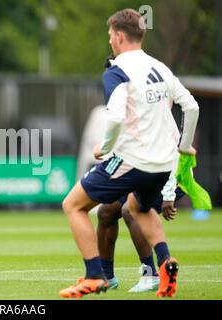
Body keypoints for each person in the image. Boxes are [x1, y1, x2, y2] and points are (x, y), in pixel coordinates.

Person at [60, 8, 199, 298]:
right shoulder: (160, 67)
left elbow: (115, 117)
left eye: (110, 34)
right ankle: (165, 262)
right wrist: (184, 148)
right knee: (138, 208)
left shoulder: (117, 71)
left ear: (120, 36)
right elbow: (192, 107)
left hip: (133, 160)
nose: (110, 40)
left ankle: (94, 275)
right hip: (163, 164)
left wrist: (105, 148)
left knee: (73, 205)